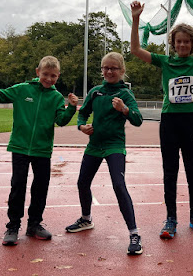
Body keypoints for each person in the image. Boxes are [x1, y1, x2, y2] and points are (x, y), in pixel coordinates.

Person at [131, 0, 193, 239]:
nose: (183, 45)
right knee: (170, 172)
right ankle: (171, 219)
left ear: (192, 44)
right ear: (173, 44)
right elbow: (134, 49)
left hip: (191, 122)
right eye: (179, 42)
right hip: (170, 122)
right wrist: (135, 20)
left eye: (187, 42)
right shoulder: (164, 62)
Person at [0, 56, 78, 246]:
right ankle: (13, 226)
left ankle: (34, 225)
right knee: (18, 187)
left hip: (42, 150)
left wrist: (71, 108)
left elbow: (61, 120)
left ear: (58, 76)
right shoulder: (22, 89)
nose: (49, 79)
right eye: (46, 74)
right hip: (20, 147)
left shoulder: (56, 97)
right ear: (37, 72)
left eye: (54, 76)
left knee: (40, 188)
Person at [65, 52, 144, 255]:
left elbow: (138, 119)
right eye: (105, 68)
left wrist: (124, 109)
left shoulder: (126, 94)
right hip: (95, 145)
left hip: (114, 146)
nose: (109, 71)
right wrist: (81, 126)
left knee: (119, 185)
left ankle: (134, 233)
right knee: (82, 182)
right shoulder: (95, 92)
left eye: (113, 68)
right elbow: (82, 113)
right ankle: (86, 219)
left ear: (122, 71)